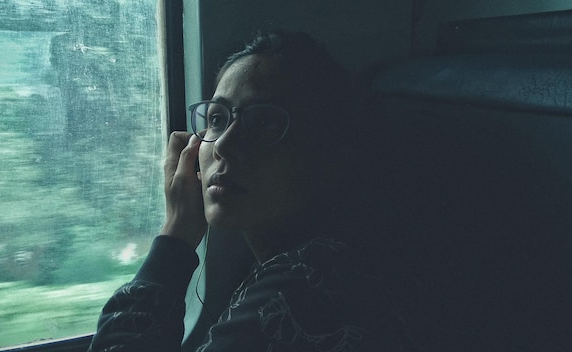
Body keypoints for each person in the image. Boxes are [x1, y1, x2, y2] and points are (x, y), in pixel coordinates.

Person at [87, 30, 407, 352]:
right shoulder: (290, 264)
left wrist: (177, 233)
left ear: (330, 162)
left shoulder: (305, 286)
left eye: (265, 123)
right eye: (216, 118)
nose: (224, 144)